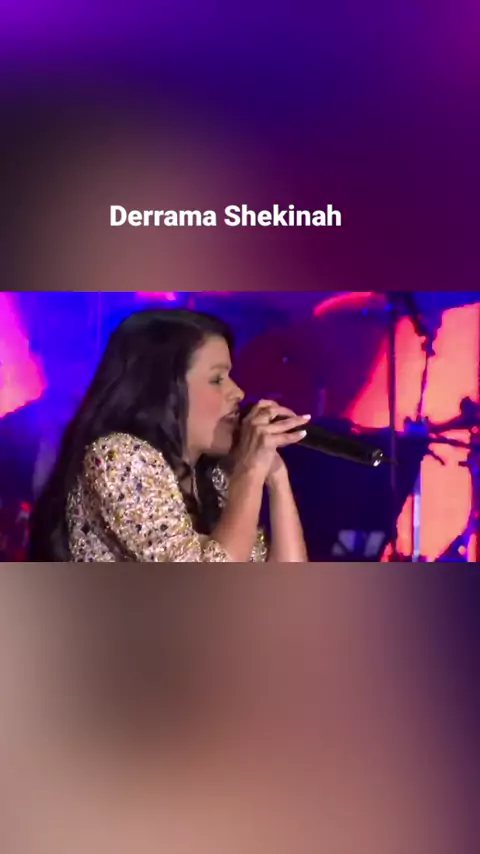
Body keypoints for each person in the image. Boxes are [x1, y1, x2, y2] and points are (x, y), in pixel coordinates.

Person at [28, 308, 309, 562]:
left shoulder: (212, 477)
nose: (238, 392)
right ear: (163, 389)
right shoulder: (120, 458)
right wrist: (250, 470)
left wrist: (276, 476)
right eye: (216, 379)